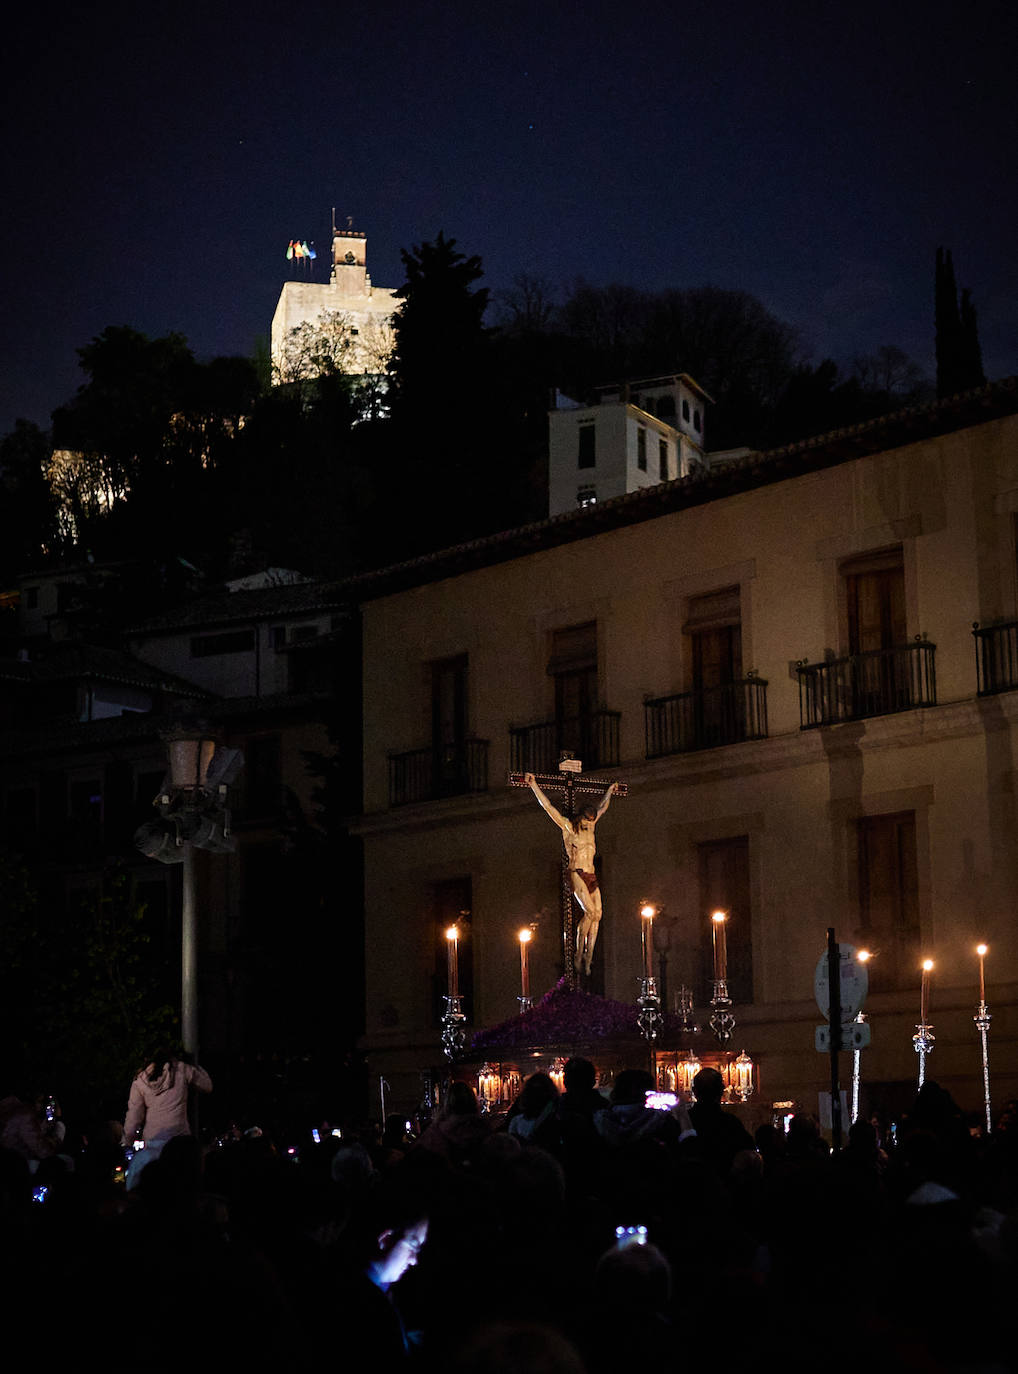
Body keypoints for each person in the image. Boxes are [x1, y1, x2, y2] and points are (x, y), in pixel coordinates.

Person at [524, 772, 618, 974]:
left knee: (598, 915)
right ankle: (577, 953)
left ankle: (588, 957)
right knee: (590, 912)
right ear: (580, 817)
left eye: (591, 821)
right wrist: (534, 785)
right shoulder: (568, 827)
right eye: (586, 821)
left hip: (591, 875)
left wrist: (609, 791)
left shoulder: (591, 827)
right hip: (576, 873)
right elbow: (548, 807)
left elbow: (603, 808)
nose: (589, 824)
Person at [122, 1050, 212, 1184]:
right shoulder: (182, 1069)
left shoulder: (140, 1080)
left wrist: (126, 1142)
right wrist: (195, 1065)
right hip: (179, 1141)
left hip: (152, 1142)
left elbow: (134, 1116)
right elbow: (207, 1086)